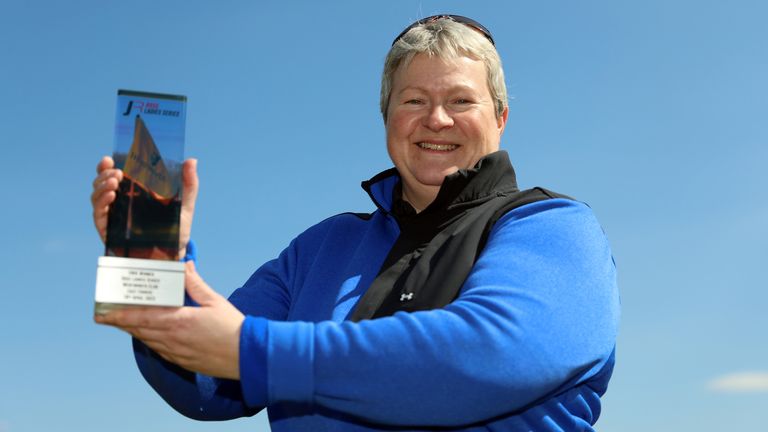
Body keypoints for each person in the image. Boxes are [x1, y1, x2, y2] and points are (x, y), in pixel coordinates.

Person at [91, 15, 619, 431]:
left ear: (500, 117)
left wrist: (258, 353)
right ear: (387, 117)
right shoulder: (321, 248)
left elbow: (497, 354)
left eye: (461, 100)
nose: (436, 119)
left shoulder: (553, 226)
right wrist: (153, 267)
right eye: (413, 101)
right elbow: (203, 384)